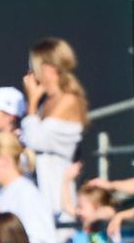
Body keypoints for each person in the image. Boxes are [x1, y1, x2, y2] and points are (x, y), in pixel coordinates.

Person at [23, 38, 90, 212]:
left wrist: (32, 102)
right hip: (40, 189)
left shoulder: (68, 100)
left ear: (51, 67)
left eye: (34, 66)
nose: (30, 72)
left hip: (56, 192)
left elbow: (35, 140)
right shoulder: (46, 103)